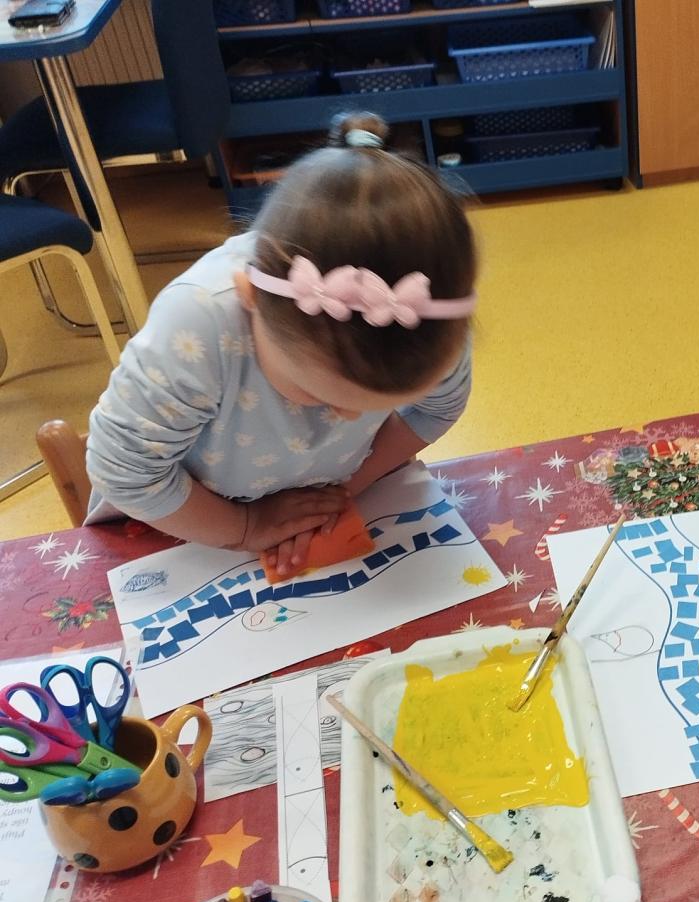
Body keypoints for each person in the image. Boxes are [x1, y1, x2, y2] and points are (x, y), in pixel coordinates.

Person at [87, 112, 477, 580]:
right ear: (251, 300)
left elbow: (439, 408)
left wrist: (345, 490)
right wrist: (245, 527)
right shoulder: (201, 322)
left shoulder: (422, 317)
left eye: (378, 405)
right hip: (179, 519)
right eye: (317, 395)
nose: (349, 417)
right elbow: (128, 474)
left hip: (327, 493)